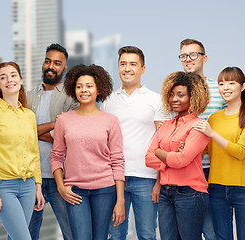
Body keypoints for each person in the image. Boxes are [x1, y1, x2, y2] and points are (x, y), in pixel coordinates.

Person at [51, 64, 125, 240]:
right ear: (73, 90)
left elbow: (117, 160)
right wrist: (61, 187)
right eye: (79, 86)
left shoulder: (111, 121)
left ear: (99, 89)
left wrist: (120, 200)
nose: (84, 90)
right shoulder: (64, 120)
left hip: (105, 190)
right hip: (75, 190)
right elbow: (56, 157)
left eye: (89, 86)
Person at [101, 46, 168, 240]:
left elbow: (162, 143)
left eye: (133, 64)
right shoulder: (108, 101)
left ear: (143, 69)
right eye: (123, 64)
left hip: (145, 178)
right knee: (115, 235)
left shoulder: (156, 100)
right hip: (114, 179)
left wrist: (158, 181)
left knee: (147, 235)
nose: (127, 68)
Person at [0, 62, 45, 239]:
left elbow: (34, 153)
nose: (9, 80)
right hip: (4, 187)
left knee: (15, 236)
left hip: (29, 186)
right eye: (3, 77)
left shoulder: (29, 115)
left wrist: (38, 187)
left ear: (21, 80)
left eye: (13, 75)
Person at [193, 67, 245, 240]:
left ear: (243, 86)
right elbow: (202, 152)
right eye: (222, 84)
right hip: (216, 187)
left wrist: (213, 134)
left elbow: (241, 151)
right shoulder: (214, 119)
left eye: (232, 83)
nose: (226, 87)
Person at [146, 71, 210, 240]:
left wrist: (161, 153)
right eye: (172, 95)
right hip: (166, 194)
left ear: (193, 97)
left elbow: (180, 160)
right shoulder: (166, 125)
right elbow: (148, 158)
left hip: (190, 193)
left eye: (181, 95)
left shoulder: (198, 127)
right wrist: (171, 157)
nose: (174, 99)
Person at [26, 43, 76, 240]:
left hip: (61, 179)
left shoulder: (72, 98)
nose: (51, 66)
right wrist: (55, 123)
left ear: (64, 68)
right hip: (30, 177)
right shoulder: (27, 96)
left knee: (71, 233)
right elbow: (18, 133)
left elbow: (66, 137)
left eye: (57, 63)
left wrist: (33, 132)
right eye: (48, 61)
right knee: (26, 234)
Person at [179, 38, 226, 240]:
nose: (188, 59)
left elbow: (228, 124)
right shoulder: (177, 92)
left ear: (204, 58)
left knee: (213, 230)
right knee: (188, 231)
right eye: (183, 56)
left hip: (214, 169)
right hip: (185, 169)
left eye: (193, 54)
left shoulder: (220, 89)